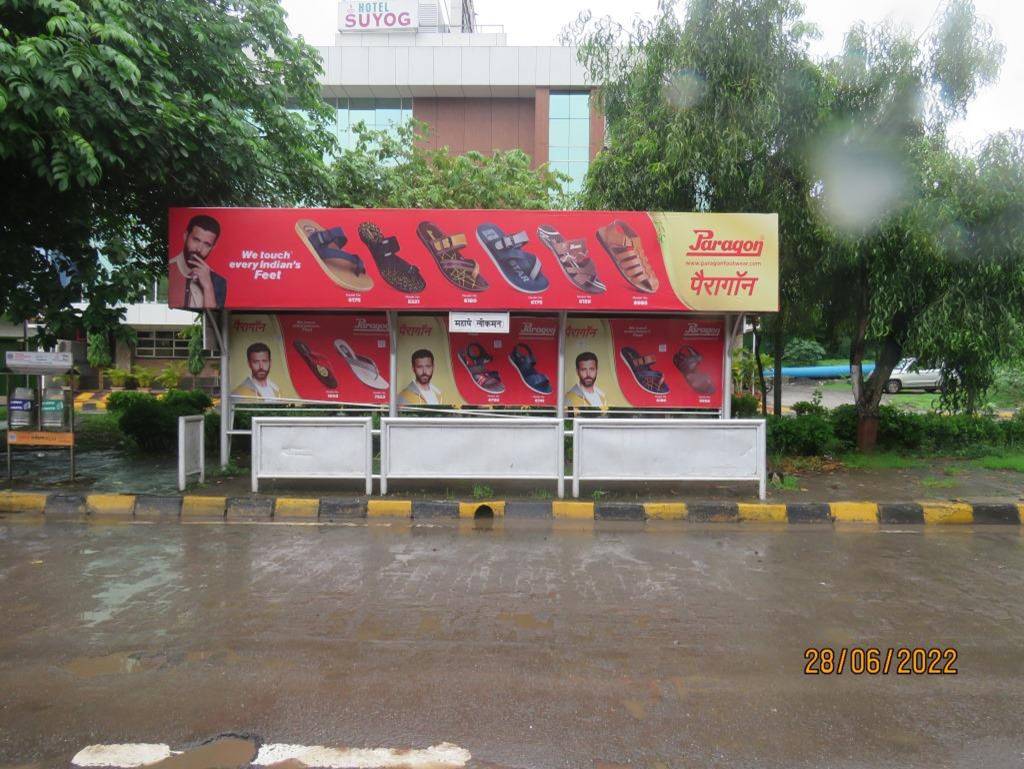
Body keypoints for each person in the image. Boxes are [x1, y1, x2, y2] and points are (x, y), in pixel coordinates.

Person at [169, 214, 228, 309]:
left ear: (212, 248)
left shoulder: (218, 281)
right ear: (185, 236)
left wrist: (208, 286)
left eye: (207, 244)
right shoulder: (170, 269)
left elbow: (213, 316)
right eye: (196, 240)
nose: (199, 249)